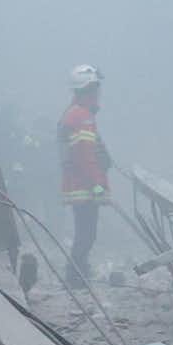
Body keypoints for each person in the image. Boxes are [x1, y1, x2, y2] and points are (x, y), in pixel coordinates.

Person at [58, 65, 112, 285]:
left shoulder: (75, 113)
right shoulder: (81, 116)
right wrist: (98, 184)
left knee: (85, 233)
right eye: (96, 87)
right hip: (84, 186)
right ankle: (76, 277)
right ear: (88, 88)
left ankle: (79, 273)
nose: (98, 92)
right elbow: (85, 156)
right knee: (86, 235)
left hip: (79, 184)